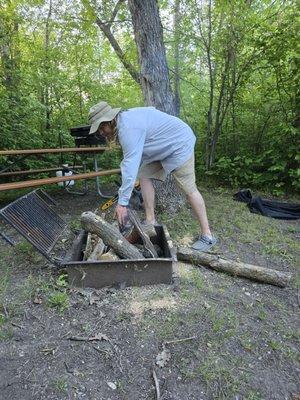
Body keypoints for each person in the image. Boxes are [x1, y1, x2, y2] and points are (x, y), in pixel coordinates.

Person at [88, 101, 217, 252]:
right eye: (99, 130)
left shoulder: (128, 128)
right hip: (162, 147)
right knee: (143, 174)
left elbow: (129, 165)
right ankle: (150, 220)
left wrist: (122, 204)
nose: (101, 132)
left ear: (110, 120)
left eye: (102, 127)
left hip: (180, 143)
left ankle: (207, 236)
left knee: (189, 190)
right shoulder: (124, 122)